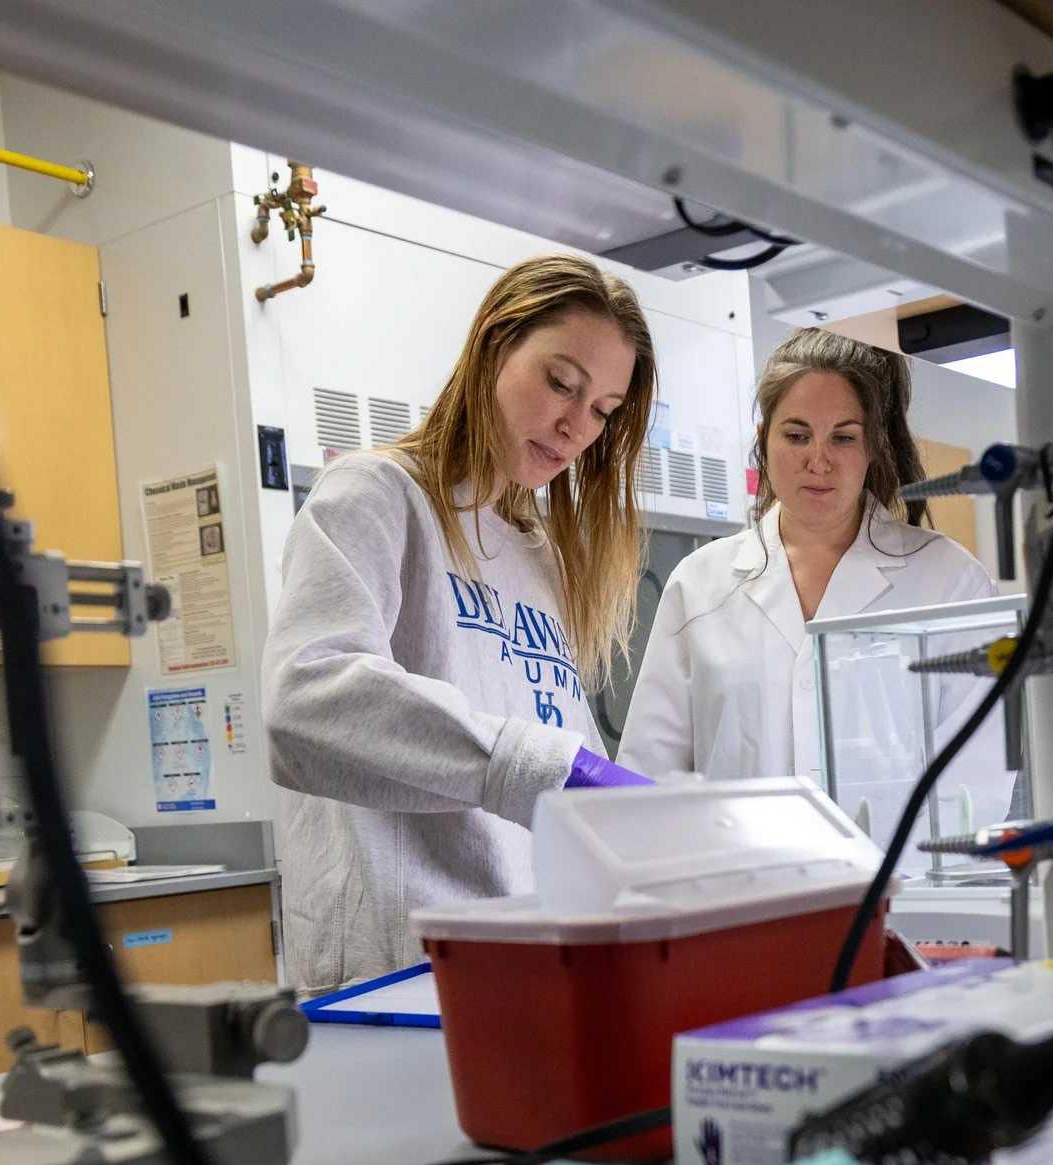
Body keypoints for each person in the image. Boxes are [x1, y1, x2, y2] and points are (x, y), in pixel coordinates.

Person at [264, 255, 655, 991]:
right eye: (561, 384)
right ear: (494, 347)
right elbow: (305, 697)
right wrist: (547, 768)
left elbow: (546, 744)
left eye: (603, 410)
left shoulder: (539, 552)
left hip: (525, 953)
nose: (576, 426)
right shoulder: (377, 496)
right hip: (401, 963)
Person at [616, 329, 996, 781]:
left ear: (872, 445)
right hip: (735, 853)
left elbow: (977, 780)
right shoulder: (699, 583)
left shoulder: (951, 582)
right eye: (797, 435)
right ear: (765, 439)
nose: (819, 461)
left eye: (843, 438)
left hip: (892, 855)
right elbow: (650, 776)